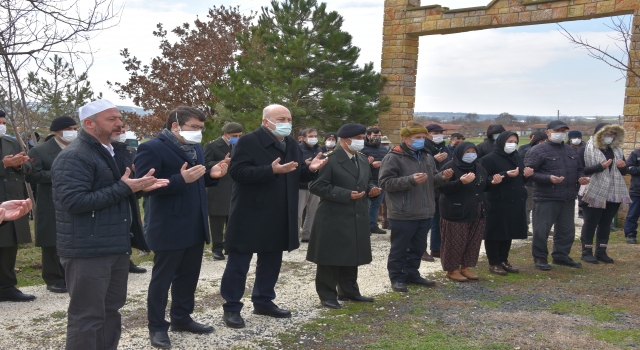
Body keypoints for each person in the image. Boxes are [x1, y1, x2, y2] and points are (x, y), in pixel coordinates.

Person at [52, 99, 166, 350]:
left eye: (119, 118)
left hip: (114, 245)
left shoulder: (111, 151)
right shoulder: (74, 156)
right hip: (86, 249)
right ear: (89, 124)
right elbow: (74, 201)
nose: (119, 123)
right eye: (111, 119)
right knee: (87, 317)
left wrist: (139, 188)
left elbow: (113, 193)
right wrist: (125, 187)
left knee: (110, 311)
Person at [220, 104, 327, 329]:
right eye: (281, 118)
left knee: (271, 262)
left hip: (279, 212)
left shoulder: (290, 144)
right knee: (239, 263)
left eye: (289, 119)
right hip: (250, 212)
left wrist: (312, 169)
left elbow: (295, 173)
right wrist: (270, 171)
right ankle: (231, 307)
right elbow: (237, 173)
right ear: (266, 121)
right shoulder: (248, 142)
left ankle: (263, 301)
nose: (286, 123)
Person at [134, 106, 228, 349]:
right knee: (162, 280)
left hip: (195, 223)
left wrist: (212, 175)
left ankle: (181, 318)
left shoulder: (194, 146)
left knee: (188, 277)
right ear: (175, 125)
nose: (198, 132)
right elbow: (144, 185)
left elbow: (197, 177)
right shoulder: (151, 147)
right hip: (168, 225)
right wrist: (179, 180)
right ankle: (156, 326)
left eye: (201, 128)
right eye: (194, 127)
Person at [307, 123, 380, 308]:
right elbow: (316, 186)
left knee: (352, 253)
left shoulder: (362, 158)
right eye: (358, 137)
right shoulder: (329, 159)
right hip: (333, 215)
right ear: (346, 140)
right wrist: (345, 194)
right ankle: (327, 295)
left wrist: (372, 189)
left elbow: (367, 180)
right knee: (330, 256)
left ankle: (349, 291)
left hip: (356, 214)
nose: (361, 141)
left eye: (362, 137)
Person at [379, 122, 452, 292]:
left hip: (425, 211)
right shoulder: (393, 157)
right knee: (399, 248)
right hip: (403, 212)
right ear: (406, 138)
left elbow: (432, 179)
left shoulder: (426, 156)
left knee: (418, 247)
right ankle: (397, 278)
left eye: (423, 137)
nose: (422, 141)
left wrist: (442, 177)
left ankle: (412, 274)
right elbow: (385, 183)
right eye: (418, 138)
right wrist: (410, 180)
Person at [524, 120, 589, 271]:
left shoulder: (570, 150)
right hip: (546, 196)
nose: (560, 134)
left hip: (567, 196)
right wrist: (548, 179)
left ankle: (561, 255)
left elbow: (579, 168)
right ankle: (540, 257)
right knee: (542, 229)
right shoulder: (537, 151)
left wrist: (581, 178)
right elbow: (529, 174)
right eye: (557, 131)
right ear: (548, 132)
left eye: (563, 131)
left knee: (566, 230)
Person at [26, 116, 77, 293]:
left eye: (75, 128)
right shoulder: (40, 151)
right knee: (51, 240)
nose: (73, 132)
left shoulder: (79, 149)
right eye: (69, 129)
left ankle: (71, 275)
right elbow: (32, 176)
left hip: (75, 199)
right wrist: (57, 175)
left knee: (72, 238)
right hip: (49, 200)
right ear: (56, 131)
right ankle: (53, 278)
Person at [437, 142, 503, 281]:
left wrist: (493, 183)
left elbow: (481, 186)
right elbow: (441, 188)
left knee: (473, 241)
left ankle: (465, 268)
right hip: (455, 211)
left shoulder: (478, 167)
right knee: (454, 241)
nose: (471, 154)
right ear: (460, 152)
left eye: (473, 151)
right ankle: (452, 270)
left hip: (477, 209)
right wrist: (460, 182)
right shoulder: (450, 167)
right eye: (467, 152)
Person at [479, 131, 534, 275]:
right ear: (501, 142)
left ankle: (504, 260)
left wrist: (526, 176)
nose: (513, 144)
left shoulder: (516, 157)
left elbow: (520, 179)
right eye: (509, 141)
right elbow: (483, 182)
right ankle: (494, 262)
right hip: (497, 201)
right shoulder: (488, 159)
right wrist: (504, 175)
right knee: (495, 233)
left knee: (508, 232)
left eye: (515, 142)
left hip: (515, 200)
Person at [578, 123, 629, 263]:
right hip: (592, 190)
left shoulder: (617, 150)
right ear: (599, 134)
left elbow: (623, 171)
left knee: (605, 223)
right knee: (591, 222)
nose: (610, 137)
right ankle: (586, 251)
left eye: (613, 134)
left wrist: (623, 168)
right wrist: (599, 167)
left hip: (613, 191)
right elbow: (580, 170)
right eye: (608, 134)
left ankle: (601, 251)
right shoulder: (585, 149)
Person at [0, 109, 35, 302]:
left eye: (3, 122)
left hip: (10, 200)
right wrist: (3, 165)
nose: (2, 126)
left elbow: (29, 167)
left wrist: (19, 164)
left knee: (8, 246)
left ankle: (7, 287)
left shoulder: (10, 142)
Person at [112, 126, 149, 274]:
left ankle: (127, 261)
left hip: (128, 193)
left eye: (123, 132)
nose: (122, 134)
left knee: (128, 227)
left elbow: (132, 171)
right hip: (114, 193)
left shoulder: (128, 150)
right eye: (119, 132)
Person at [204, 122, 243, 260]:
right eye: (234, 136)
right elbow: (205, 164)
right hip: (218, 188)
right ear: (226, 134)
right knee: (217, 221)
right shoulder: (212, 146)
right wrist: (222, 162)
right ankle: (217, 249)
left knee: (233, 220)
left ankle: (230, 246)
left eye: (239, 135)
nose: (237, 138)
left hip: (235, 187)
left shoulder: (239, 145)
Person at [422, 123, 454, 262]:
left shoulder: (445, 148)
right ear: (427, 134)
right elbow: (417, 167)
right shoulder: (423, 148)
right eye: (435, 133)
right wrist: (433, 160)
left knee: (439, 220)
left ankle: (436, 248)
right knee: (424, 221)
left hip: (442, 188)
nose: (438, 135)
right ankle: (420, 249)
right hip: (426, 188)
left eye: (441, 132)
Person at [518, 131, 548, 234]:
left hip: (545, 183)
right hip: (529, 184)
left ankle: (541, 229)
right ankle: (525, 227)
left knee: (542, 208)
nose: (543, 143)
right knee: (528, 207)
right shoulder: (526, 150)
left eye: (544, 141)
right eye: (540, 141)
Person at [361, 127, 387, 234]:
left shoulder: (383, 149)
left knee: (376, 205)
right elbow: (357, 166)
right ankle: (363, 226)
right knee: (365, 204)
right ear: (368, 136)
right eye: (375, 136)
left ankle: (373, 225)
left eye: (379, 136)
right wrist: (371, 165)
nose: (377, 138)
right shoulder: (362, 149)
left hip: (381, 180)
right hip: (367, 181)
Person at [298, 128, 321, 242]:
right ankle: (295, 235)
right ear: (303, 138)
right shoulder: (298, 149)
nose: (313, 138)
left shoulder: (319, 150)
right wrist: (305, 164)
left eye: (315, 136)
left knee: (312, 212)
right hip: (301, 185)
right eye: (310, 136)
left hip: (315, 185)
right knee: (297, 212)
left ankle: (307, 235)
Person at [624, 146, 640, 244]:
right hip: (637, 190)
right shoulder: (636, 153)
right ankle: (630, 234)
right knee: (633, 214)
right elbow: (629, 168)